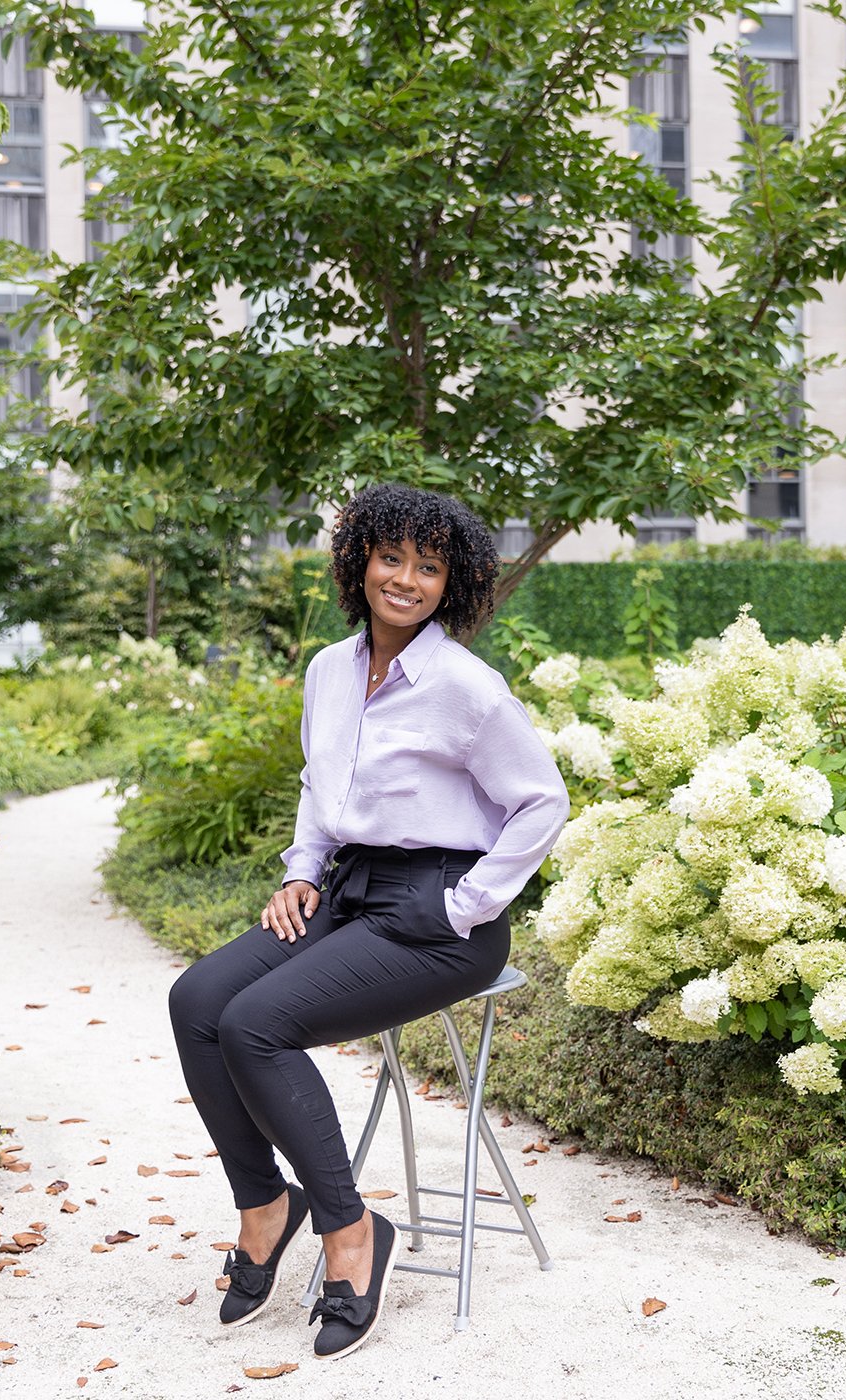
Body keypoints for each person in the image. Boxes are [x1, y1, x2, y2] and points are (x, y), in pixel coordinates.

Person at [168, 483, 569, 1360]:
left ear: (450, 585)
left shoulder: (465, 687)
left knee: (257, 1025)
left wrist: (467, 903)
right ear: (360, 561)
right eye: (393, 557)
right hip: (349, 890)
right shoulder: (328, 670)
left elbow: (542, 800)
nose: (408, 579)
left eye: (430, 567)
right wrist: (302, 873)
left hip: (438, 915)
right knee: (198, 999)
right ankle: (265, 1203)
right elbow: (325, 788)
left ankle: (352, 1233)